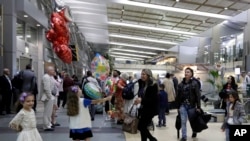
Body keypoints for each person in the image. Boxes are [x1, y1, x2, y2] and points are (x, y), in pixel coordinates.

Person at [176, 67, 201, 141]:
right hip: (183, 105)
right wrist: (178, 106)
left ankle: (194, 131)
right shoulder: (181, 84)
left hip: (192, 105)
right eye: (186, 72)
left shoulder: (195, 83)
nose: (186, 73)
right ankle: (184, 136)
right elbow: (178, 96)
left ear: (191, 74)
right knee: (183, 121)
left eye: (188, 72)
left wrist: (198, 106)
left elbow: (197, 95)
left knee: (192, 121)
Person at [134, 69, 158, 141]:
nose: (142, 76)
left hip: (150, 110)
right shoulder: (142, 84)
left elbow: (152, 100)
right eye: (141, 74)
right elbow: (141, 95)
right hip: (143, 108)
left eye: (144, 74)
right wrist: (138, 100)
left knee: (141, 126)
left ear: (148, 75)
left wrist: (141, 100)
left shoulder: (153, 85)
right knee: (143, 127)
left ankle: (152, 139)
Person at [40, 66, 56, 131]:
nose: (53, 71)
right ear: (48, 71)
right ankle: (46, 125)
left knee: (49, 112)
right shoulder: (46, 77)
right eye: (52, 70)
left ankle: (49, 124)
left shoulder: (50, 77)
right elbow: (47, 88)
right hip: (47, 97)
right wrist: (50, 96)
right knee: (47, 112)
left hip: (50, 96)